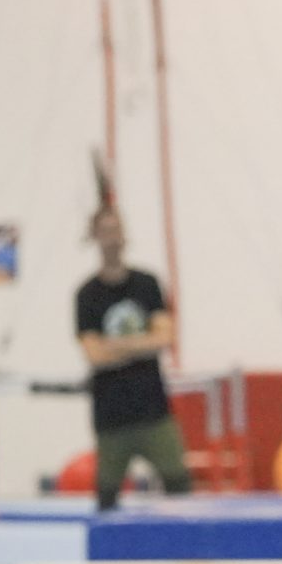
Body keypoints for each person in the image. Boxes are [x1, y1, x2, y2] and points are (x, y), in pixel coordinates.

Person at [73, 203, 192, 510]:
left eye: (116, 230)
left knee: (178, 481)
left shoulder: (147, 284)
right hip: (111, 415)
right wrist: (142, 343)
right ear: (95, 237)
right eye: (105, 231)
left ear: (124, 234)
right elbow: (94, 355)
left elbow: (165, 337)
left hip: (153, 407)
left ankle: (184, 552)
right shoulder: (87, 296)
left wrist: (114, 344)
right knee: (107, 494)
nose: (112, 238)